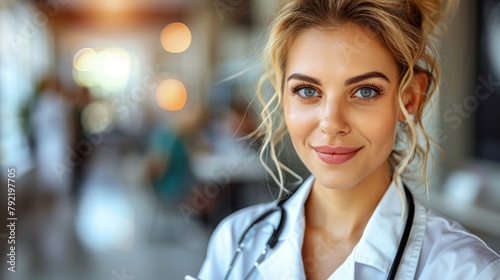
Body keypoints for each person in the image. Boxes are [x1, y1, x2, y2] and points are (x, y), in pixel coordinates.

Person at [194, 0, 500, 279]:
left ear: (409, 99)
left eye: (365, 91)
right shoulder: (236, 241)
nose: (331, 124)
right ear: (283, 98)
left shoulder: (466, 270)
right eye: (307, 91)